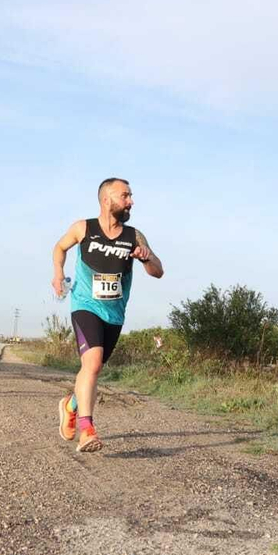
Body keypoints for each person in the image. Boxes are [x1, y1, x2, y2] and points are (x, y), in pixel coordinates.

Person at [51, 178, 164, 452]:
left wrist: (146, 257)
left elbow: (158, 271)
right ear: (106, 199)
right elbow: (59, 248)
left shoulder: (134, 236)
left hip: (114, 314)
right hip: (85, 305)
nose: (131, 201)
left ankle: (71, 405)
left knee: (92, 369)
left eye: (130, 196)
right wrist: (58, 274)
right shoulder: (83, 228)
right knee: (93, 363)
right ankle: (87, 431)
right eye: (125, 196)